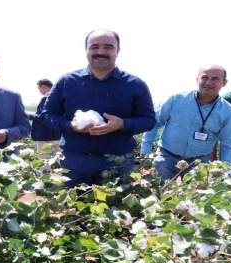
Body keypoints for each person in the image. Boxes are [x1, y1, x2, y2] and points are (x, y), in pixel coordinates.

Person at [40, 29, 155, 188]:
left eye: (108, 47)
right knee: (73, 209)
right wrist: (70, 126)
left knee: (115, 209)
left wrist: (122, 124)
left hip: (117, 162)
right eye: (94, 47)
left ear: (117, 50)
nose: (101, 52)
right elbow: (47, 115)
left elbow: (148, 120)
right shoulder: (67, 81)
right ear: (86, 50)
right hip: (75, 161)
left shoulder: (135, 84)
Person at [140, 64, 231, 181]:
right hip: (166, 158)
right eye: (205, 77)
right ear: (197, 79)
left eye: (215, 79)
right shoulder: (176, 99)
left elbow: (229, 144)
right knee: (159, 195)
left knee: (196, 198)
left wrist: (225, 169)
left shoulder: (229, 112)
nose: (208, 82)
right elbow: (154, 123)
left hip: (199, 163)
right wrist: (145, 152)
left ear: (224, 82)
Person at [26, 79, 62, 158]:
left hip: (45, 134)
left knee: (44, 160)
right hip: (57, 134)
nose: (39, 91)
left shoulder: (46, 98)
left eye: (39, 89)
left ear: (44, 87)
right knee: (61, 158)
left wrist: (30, 115)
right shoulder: (58, 97)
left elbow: (45, 117)